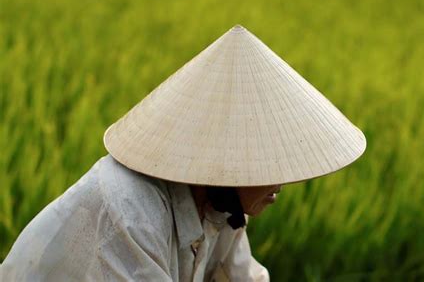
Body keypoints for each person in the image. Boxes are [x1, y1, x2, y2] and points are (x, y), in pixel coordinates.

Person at [0, 25, 366, 281]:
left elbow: (243, 277)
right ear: (230, 162)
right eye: (268, 166)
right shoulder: (130, 213)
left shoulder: (223, 208)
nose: (281, 184)